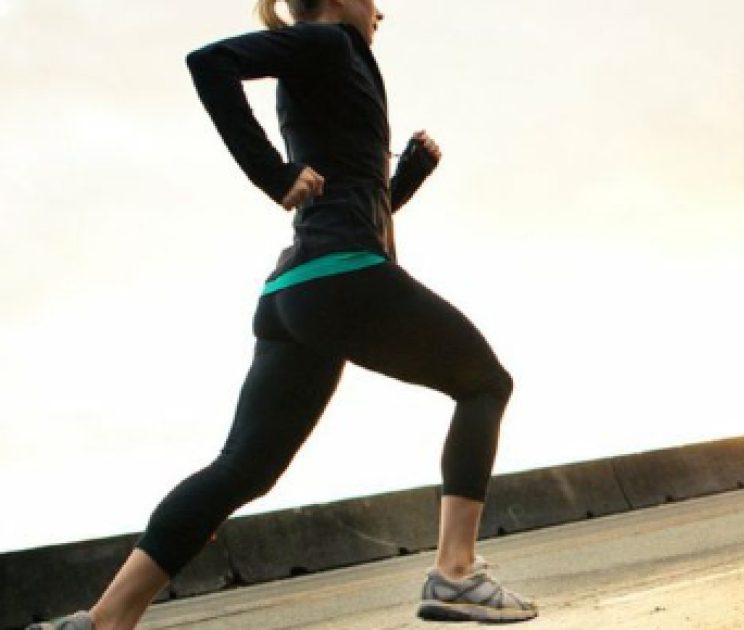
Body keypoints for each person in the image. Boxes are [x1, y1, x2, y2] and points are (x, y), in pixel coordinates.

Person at [28, 0, 537, 627]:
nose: (383, 11)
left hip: (295, 294)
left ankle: (103, 620)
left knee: (241, 468)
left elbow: (352, 205)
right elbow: (209, 63)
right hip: (341, 279)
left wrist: (404, 176)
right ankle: (456, 573)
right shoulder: (326, 44)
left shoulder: (334, 65)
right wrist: (272, 175)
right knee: (485, 383)